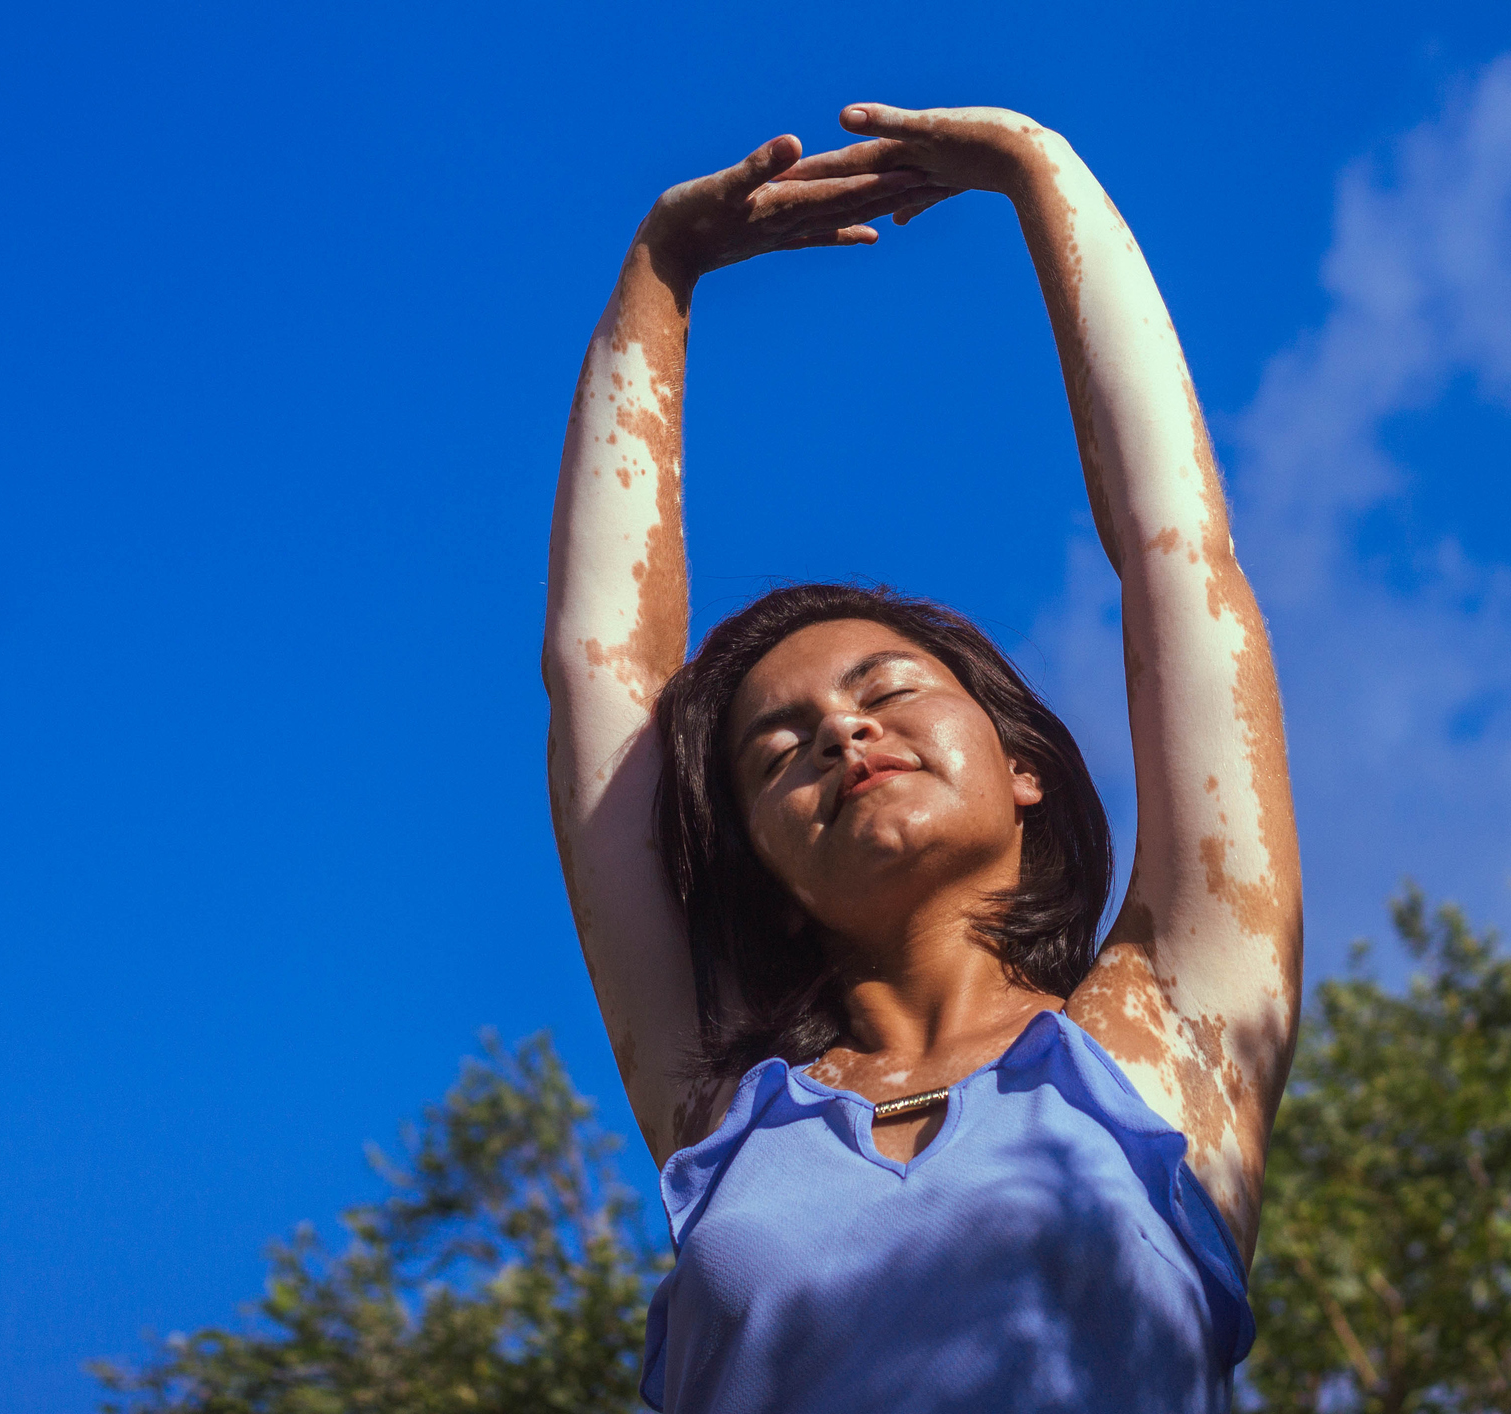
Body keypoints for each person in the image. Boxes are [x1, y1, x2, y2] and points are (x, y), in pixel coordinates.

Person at [542, 103, 1302, 1414]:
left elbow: (1178, 559)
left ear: (1022, 769)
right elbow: (596, 675)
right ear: (761, 863)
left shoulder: (1164, 1040)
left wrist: (1034, 167)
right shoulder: (721, 1105)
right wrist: (654, 279)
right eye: (777, 747)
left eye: (887, 689)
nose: (842, 731)